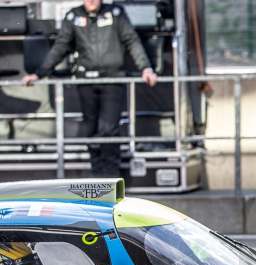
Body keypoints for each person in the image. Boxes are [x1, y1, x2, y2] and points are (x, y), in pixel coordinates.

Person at [22, 0, 157, 178]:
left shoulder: (115, 13)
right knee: (91, 128)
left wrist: (145, 68)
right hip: (85, 81)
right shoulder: (73, 16)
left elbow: (132, 40)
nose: (92, 1)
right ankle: (97, 174)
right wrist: (39, 74)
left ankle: (110, 177)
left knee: (108, 128)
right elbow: (60, 47)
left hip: (112, 80)